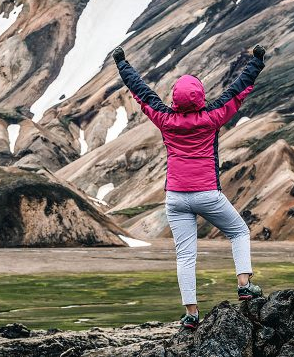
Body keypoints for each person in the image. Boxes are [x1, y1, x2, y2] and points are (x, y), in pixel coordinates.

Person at [111, 44, 267, 330]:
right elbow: (238, 90)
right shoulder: (212, 117)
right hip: (207, 193)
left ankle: (191, 314)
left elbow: (142, 92)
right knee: (239, 232)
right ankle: (244, 285)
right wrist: (257, 61)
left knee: (185, 255)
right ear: (200, 96)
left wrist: (122, 64)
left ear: (174, 98)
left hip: (176, 197)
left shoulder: (165, 119)